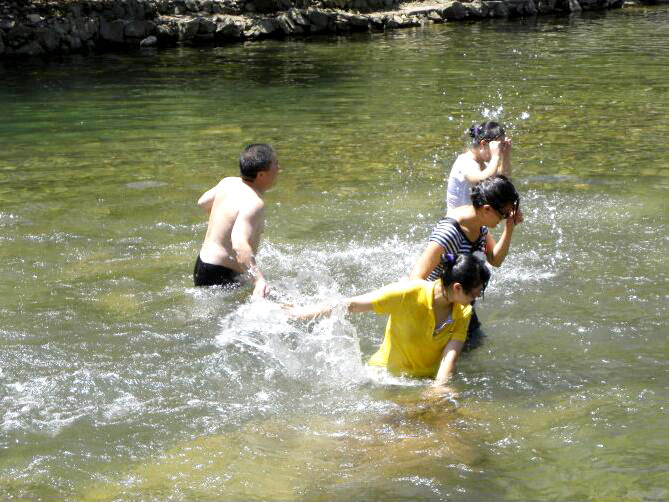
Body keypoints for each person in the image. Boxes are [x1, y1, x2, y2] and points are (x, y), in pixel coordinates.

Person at [290, 253, 490, 390]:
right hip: (386, 380)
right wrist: (300, 313)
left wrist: (439, 389)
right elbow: (351, 305)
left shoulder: (463, 311)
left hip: (424, 383)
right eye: (474, 293)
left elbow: (449, 359)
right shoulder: (408, 293)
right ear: (457, 288)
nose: (476, 298)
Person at [410, 175, 523, 345]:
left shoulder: (478, 223)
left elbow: (495, 259)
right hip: (440, 309)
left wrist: (509, 228)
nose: (505, 218)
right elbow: (415, 279)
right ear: (487, 209)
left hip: (462, 303)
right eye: (504, 214)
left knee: (476, 345)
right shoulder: (450, 233)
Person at [193, 143, 280, 297]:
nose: (279, 169)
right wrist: (258, 280)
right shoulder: (254, 202)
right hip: (221, 275)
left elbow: (203, 202)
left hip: (202, 265)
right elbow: (239, 244)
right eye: (275, 164)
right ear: (261, 175)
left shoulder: (228, 182)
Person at [446, 121, 512, 212]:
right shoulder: (465, 161)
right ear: (483, 144)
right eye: (498, 147)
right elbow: (482, 180)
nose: (500, 151)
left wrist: (506, 156)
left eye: (502, 146)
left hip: (475, 217)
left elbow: (503, 178)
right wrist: (495, 157)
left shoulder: (483, 163)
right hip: (457, 219)